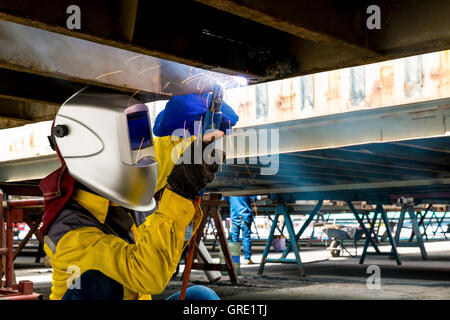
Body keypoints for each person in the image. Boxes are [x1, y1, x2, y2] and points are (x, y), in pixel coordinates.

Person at [40, 87, 236, 300]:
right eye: (132, 137)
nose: (141, 147)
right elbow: (148, 275)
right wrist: (180, 191)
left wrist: (193, 133)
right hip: (107, 289)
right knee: (97, 283)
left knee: (200, 298)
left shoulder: (124, 185)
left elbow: (164, 157)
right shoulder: (71, 233)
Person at [226, 196, 257, 264]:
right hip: (245, 216)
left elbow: (225, 199)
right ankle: (247, 259)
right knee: (246, 237)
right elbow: (254, 199)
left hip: (234, 216)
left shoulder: (230, 192)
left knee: (234, 239)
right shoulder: (247, 189)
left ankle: (234, 259)